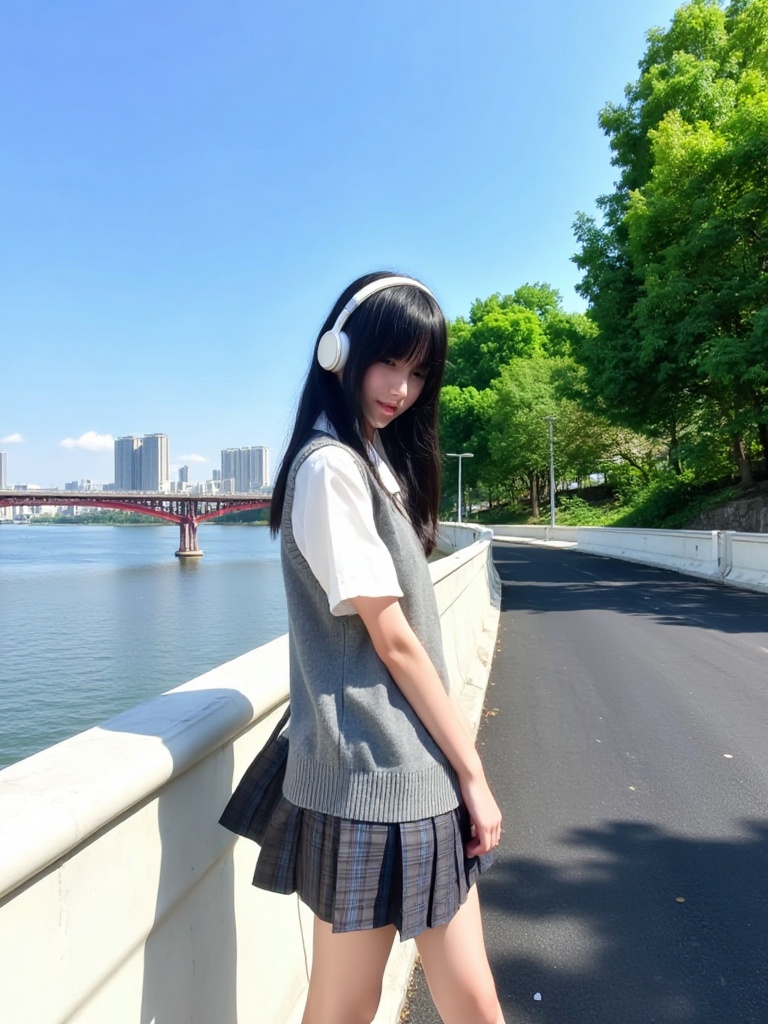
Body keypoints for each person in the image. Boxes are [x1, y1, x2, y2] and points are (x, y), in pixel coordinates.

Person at [225, 271, 505, 1024]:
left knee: (460, 997)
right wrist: (474, 774)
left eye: (419, 373)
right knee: (348, 1004)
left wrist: (456, 771)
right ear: (338, 351)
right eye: (390, 363)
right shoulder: (329, 471)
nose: (402, 388)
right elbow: (395, 640)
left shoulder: (371, 458)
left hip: (405, 772)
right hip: (376, 780)